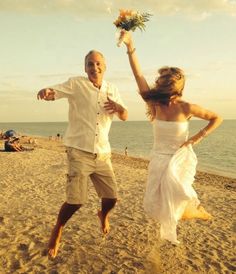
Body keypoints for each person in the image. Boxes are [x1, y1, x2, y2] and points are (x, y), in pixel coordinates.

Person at [119, 30, 222, 244]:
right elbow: (138, 76)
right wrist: (130, 47)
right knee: (159, 207)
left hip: (179, 158)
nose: (168, 94)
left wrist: (197, 137)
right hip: (158, 159)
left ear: (180, 89)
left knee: (179, 196)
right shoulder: (154, 104)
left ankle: (200, 211)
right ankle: (197, 210)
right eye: (165, 87)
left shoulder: (187, 108)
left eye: (171, 89)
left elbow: (217, 118)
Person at [37, 50, 128, 258]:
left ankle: (103, 214)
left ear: (104, 66)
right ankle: (57, 230)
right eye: (89, 64)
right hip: (78, 151)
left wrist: (118, 107)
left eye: (97, 64)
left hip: (103, 152)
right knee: (76, 200)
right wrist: (46, 91)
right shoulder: (77, 84)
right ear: (85, 67)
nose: (94, 67)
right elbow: (55, 92)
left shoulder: (112, 89)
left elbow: (124, 115)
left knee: (112, 198)